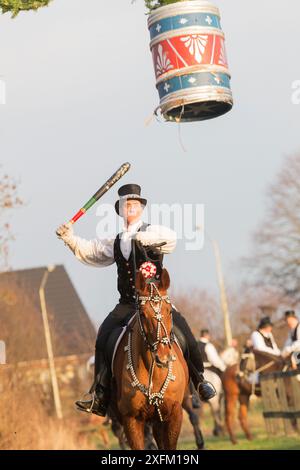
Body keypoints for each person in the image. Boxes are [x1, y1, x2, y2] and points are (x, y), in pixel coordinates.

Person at [56, 184, 216, 416]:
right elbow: (91, 251)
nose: (130, 208)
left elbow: (170, 239)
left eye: (134, 204)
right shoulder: (115, 240)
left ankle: (200, 382)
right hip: (128, 303)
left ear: (141, 208)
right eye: (126, 205)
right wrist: (69, 238)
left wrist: (140, 237)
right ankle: (100, 395)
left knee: (186, 335)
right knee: (102, 338)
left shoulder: (154, 232)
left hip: (155, 301)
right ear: (120, 210)